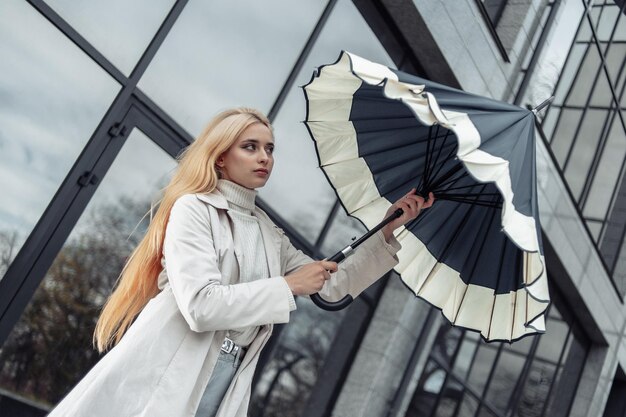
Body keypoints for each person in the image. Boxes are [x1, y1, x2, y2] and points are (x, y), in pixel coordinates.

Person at [49, 107, 434, 417]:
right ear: (220, 158)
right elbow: (201, 305)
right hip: (172, 364)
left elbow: (331, 285)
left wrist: (389, 226)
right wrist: (289, 286)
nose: (265, 157)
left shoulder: (268, 232)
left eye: (269, 149)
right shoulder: (194, 210)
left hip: (228, 375)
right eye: (250, 147)